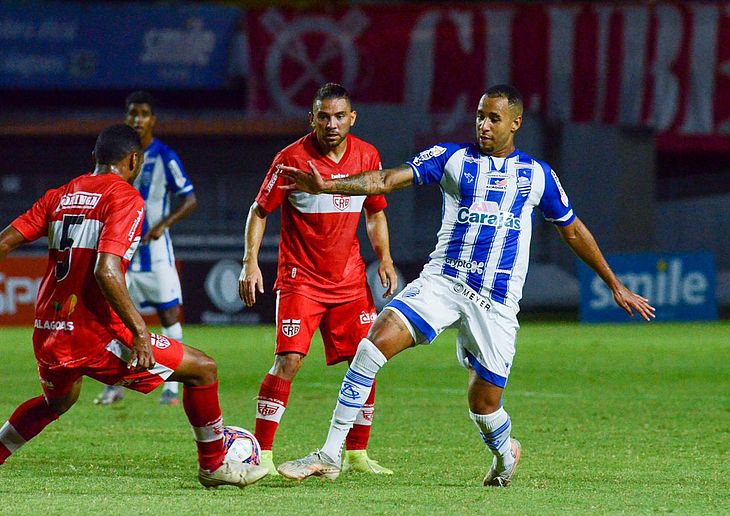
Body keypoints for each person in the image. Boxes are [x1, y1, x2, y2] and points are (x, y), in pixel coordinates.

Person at [275, 85, 656, 486]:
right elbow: (387, 178)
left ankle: (505, 451)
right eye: (479, 116)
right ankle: (330, 453)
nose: (483, 125)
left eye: (494, 118)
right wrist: (329, 186)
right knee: (371, 346)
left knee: (484, 407)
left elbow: (573, 230)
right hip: (443, 281)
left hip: (496, 302)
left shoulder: (538, 176)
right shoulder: (451, 158)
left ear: (515, 123)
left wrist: (614, 284)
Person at [0, 124, 267, 488]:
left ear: (94, 158)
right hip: (94, 335)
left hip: (48, 330)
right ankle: (214, 464)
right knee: (203, 369)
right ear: (134, 160)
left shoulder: (61, 194)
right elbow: (106, 271)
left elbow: (5, 242)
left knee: (56, 403)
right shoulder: (124, 198)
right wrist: (140, 332)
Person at [238, 83, 398, 476]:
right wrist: (250, 261)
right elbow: (260, 211)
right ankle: (264, 454)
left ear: (352, 118)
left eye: (339, 116)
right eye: (323, 116)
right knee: (288, 360)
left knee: (367, 357)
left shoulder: (367, 155)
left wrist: (385, 258)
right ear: (312, 118)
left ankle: (357, 454)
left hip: (349, 281)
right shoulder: (291, 159)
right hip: (301, 280)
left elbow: (375, 212)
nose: (331, 124)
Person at [95, 91, 197, 407]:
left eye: (143, 114)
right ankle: (116, 385)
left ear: (152, 119)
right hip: (120, 249)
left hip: (155, 251)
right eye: (132, 114)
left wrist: (163, 225)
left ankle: (172, 388)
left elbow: (190, 198)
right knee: (113, 315)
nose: (137, 120)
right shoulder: (117, 156)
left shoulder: (165, 156)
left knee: (168, 313)